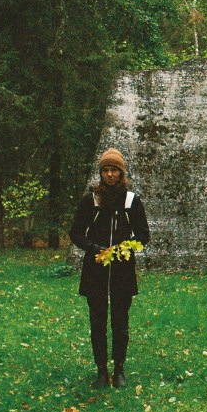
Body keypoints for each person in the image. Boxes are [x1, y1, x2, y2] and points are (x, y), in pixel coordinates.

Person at [70, 148, 150, 388]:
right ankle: (101, 370)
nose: (110, 174)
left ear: (121, 173)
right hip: (95, 269)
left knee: (120, 320)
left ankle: (119, 369)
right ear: (101, 173)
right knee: (97, 320)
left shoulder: (131, 201)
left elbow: (144, 234)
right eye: (105, 170)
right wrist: (94, 248)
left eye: (114, 170)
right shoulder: (91, 200)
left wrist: (123, 249)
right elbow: (76, 233)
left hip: (122, 269)